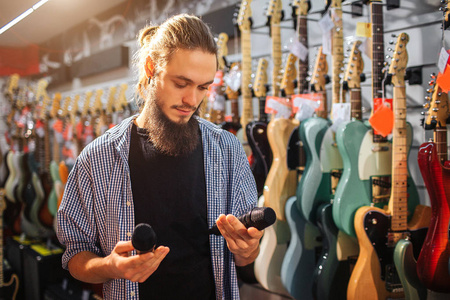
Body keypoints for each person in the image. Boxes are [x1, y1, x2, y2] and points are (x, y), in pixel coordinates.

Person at [56, 14, 262, 299]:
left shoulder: (227, 150)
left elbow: (246, 256)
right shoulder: (98, 158)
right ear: (152, 67)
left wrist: (247, 250)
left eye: (203, 87)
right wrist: (110, 266)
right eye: (181, 83)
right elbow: (75, 256)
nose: (192, 100)